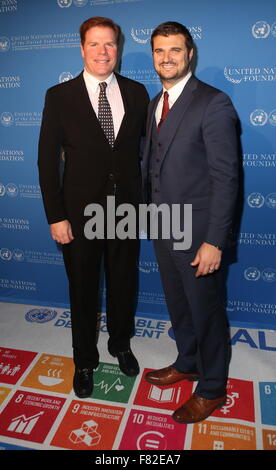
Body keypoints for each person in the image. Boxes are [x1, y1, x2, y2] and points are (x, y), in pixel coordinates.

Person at [38, 17, 149, 398]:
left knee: (123, 283)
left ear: (119, 48)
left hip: (126, 210)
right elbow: (46, 161)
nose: (103, 51)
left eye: (110, 44)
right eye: (95, 44)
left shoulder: (137, 93)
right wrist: (56, 216)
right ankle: (84, 360)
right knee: (83, 289)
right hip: (79, 212)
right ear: (81, 49)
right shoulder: (60, 96)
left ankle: (121, 344)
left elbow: (145, 155)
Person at [142, 22, 239, 423]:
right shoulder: (154, 102)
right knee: (179, 305)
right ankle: (188, 360)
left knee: (207, 312)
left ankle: (213, 387)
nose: (166, 58)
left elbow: (226, 177)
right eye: (159, 51)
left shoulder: (214, 103)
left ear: (190, 54)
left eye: (175, 51)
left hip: (200, 234)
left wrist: (214, 241)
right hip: (163, 226)